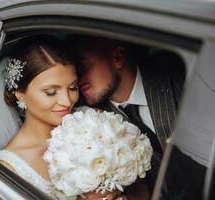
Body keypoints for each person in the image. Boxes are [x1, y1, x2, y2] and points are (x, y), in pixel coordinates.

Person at [71, 35, 205, 200]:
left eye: (83, 67)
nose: (78, 80)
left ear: (117, 57)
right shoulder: (93, 124)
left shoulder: (178, 74)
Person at [0, 35, 118, 200]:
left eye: (72, 88)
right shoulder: (11, 169)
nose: (67, 101)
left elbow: (141, 185)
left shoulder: (94, 120)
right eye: (51, 92)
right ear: (20, 94)